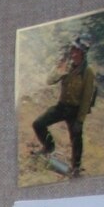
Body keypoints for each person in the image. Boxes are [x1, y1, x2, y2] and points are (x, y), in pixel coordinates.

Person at [32, 38, 99, 174]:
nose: (74, 54)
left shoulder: (88, 72)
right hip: (62, 107)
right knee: (38, 124)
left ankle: (76, 167)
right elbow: (49, 80)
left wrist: (80, 120)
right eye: (73, 50)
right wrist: (59, 68)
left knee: (76, 137)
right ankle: (49, 147)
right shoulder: (67, 66)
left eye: (77, 51)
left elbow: (86, 99)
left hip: (75, 110)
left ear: (83, 54)